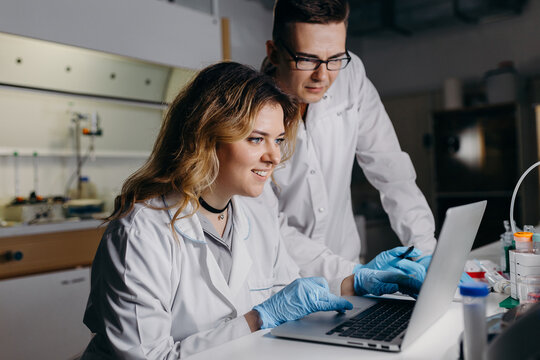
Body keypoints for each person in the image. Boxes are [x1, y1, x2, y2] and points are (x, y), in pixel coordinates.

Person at [80, 62, 423, 359]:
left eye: (277, 139)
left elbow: (293, 298)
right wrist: (257, 319)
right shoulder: (139, 234)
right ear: (206, 137)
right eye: (256, 139)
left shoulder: (255, 216)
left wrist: (355, 282)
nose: (274, 156)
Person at [253, 0, 437, 279]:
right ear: (274, 52)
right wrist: (354, 277)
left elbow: (390, 169)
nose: (323, 76)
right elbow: (268, 223)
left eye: (336, 58)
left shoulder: (351, 76)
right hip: (285, 280)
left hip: (348, 265)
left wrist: (426, 252)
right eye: (307, 59)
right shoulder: (248, 115)